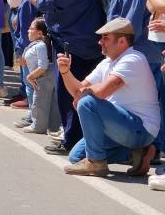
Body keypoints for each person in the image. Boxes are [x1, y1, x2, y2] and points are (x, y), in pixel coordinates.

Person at [22, 0, 109, 155]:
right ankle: (81, 140)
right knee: (84, 93)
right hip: (91, 44)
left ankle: (72, 141)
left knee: (69, 95)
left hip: (74, 47)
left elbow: (43, 4)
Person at [57, 18, 159, 177]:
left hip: (140, 128)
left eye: (106, 38)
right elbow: (78, 92)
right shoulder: (106, 63)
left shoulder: (133, 59)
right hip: (120, 126)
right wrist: (65, 72)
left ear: (122, 41)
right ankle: (137, 152)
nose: (100, 42)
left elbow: (102, 91)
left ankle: (96, 163)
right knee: (76, 157)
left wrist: (83, 94)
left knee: (87, 103)